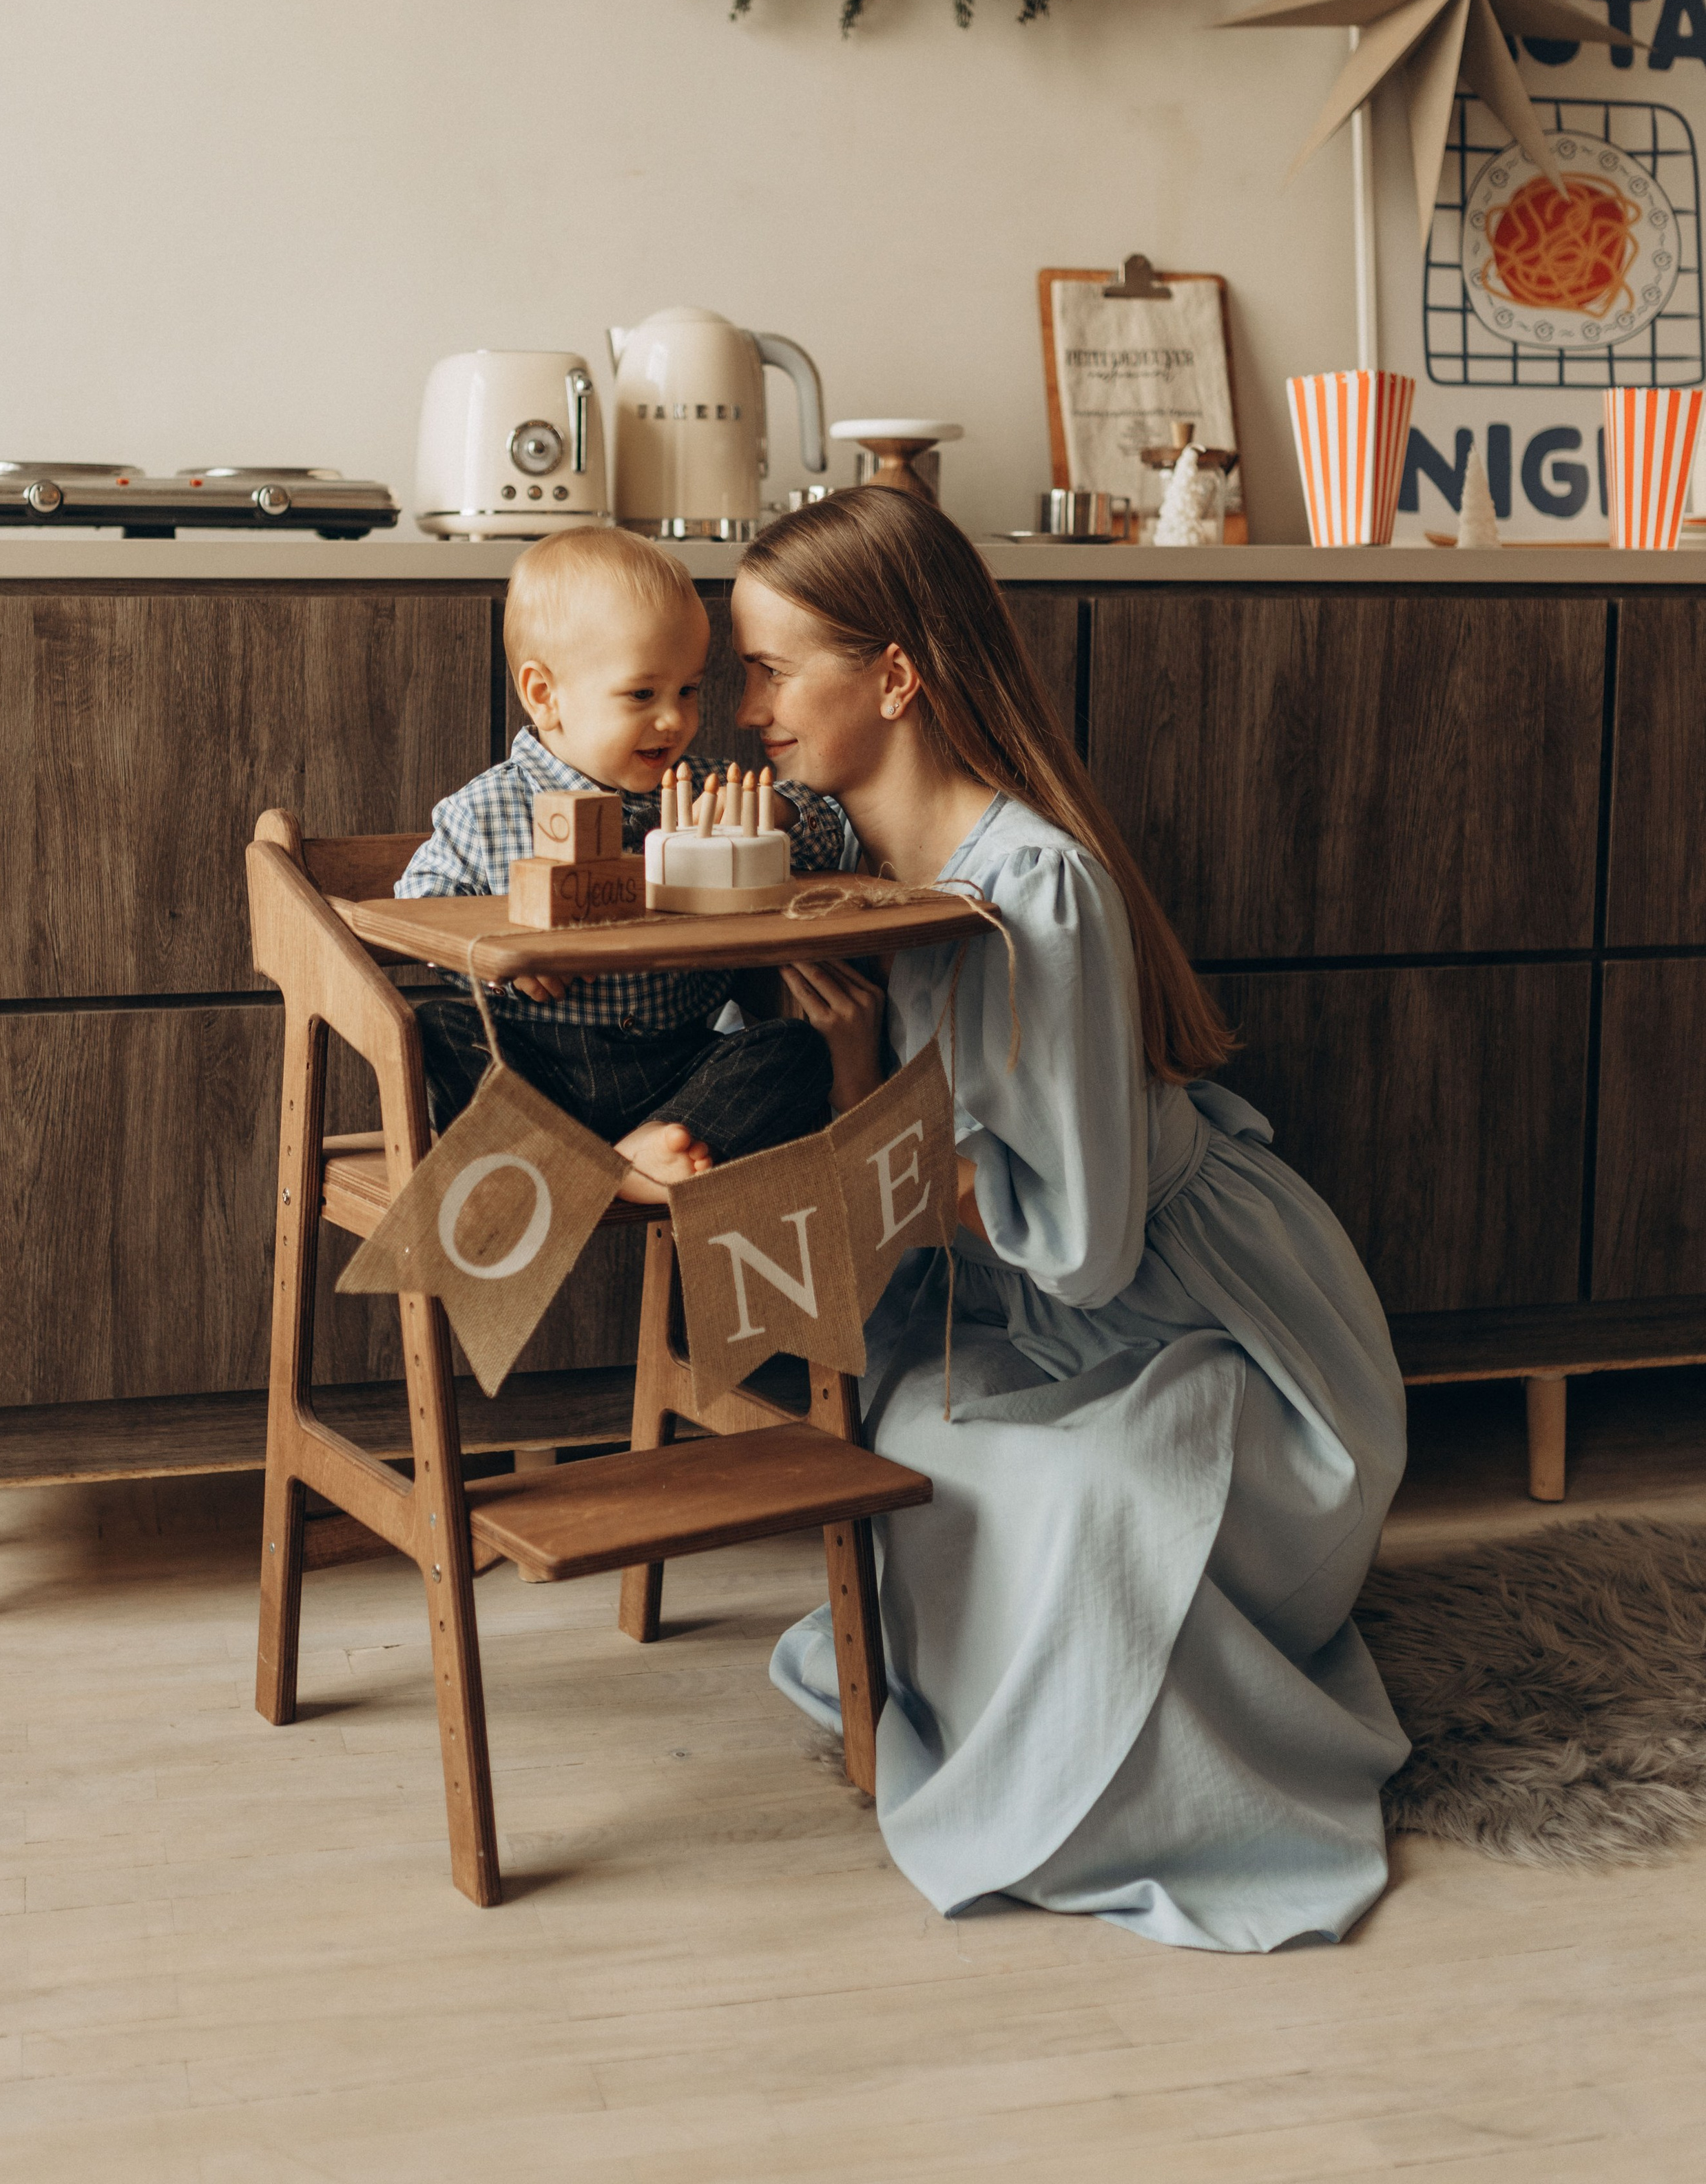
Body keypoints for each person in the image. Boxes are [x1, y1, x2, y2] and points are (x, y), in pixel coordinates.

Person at [731, 487, 1410, 1953]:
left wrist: (888, 1147)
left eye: (772, 668)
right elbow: (933, 1152)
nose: (747, 709)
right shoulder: (857, 873)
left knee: (1085, 1507)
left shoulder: (1035, 888)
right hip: (1024, 1315)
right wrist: (852, 1070)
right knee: (909, 1458)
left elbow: (1086, 1242)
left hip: (1194, 1321)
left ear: (895, 677)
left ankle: (1134, 1787)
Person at [397, 526, 846, 1198]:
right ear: (544, 695)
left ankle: (639, 1156)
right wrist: (502, 960)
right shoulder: (487, 807)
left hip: (675, 1069)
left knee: (798, 1049)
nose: (673, 720)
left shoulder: (702, 793)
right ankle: (589, 1168)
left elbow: (831, 834)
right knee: (435, 1030)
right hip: (536, 1072)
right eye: (642, 695)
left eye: (688, 691)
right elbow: (418, 910)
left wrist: (774, 815)